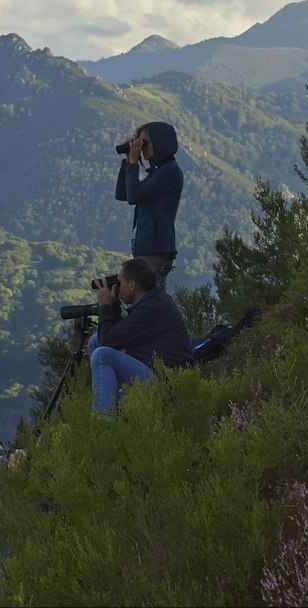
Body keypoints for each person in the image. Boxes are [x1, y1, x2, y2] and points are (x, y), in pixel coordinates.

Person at [87, 257, 193, 415]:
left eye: (120, 282)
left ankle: (104, 423)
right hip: (156, 372)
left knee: (102, 355)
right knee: (95, 341)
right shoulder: (153, 300)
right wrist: (114, 304)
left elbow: (109, 341)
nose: (118, 287)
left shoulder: (152, 309)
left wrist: (105, 307)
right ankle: (115, 406)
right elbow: (115, 337)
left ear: (132, 285)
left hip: (167, 387)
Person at [115, 121, 183, 282]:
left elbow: (134, 197)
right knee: (146, 300)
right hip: (147, 249)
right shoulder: (156, 172)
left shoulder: (169, 171)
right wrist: (127, 161)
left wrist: (133, 163)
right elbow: (122, 193)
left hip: (155, 251)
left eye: (144, 143)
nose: (141, 148)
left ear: (160, 144)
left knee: (150, 300)